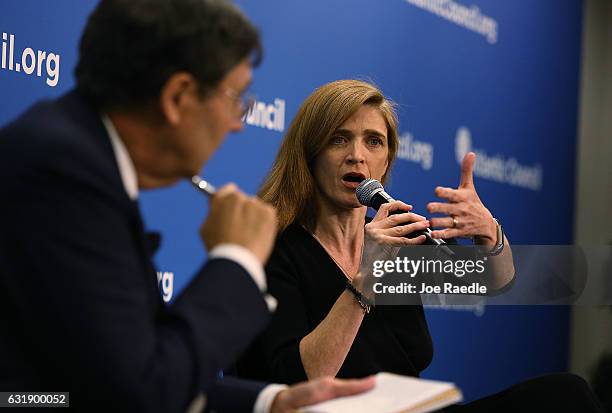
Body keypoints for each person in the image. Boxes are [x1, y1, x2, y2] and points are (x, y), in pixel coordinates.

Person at [0, 2, 375, 412]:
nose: (238, 123)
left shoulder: (83, 165)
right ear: (177, 96)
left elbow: (121, 370)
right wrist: (237, 259)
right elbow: (137, 390)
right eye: (236, 99)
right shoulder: (63, 172)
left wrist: (271, 403)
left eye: (375, 141)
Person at [236, 79, 604, 412]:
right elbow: (301, 380)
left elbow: (497, 279)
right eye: (338, 139)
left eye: (373, 141)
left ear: (387, 159)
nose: (357, 155)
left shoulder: (398, 242)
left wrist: (489, 233)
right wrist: (367, 279)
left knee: (564, 395)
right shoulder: (274, 247)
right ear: (310, 154)